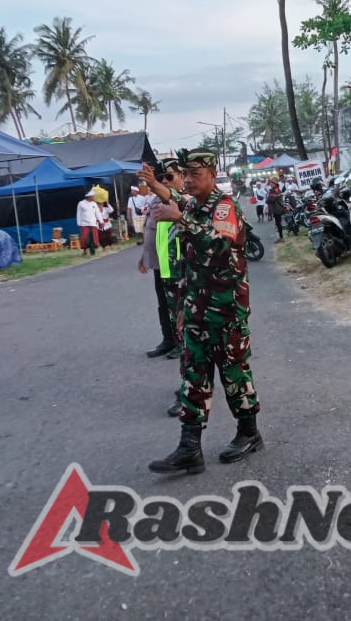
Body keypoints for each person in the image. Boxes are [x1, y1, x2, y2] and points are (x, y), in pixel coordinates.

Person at [139, 148, 262, 474]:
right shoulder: (194, 204)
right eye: (186, 174)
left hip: (225, 310)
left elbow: (220, 245)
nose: (188, 181)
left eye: (195, 175)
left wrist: (180, 219)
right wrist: (155, 185)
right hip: (196, 308)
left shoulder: (225, 207)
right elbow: (175, 196)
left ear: (212, 172)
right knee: (193, 375)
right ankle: (189, 447)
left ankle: (249, 433)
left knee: (234, 373)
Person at [139, 164, 178, 361]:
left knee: (177, 305)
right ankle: (168, 340)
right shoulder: (155, 199)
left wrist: (152, 182)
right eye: (161, 177)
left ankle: (180, 343)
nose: (164, 181)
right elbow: (150, 227)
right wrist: (144, 256)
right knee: (163, 303)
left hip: (174, 262)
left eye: (169, 177)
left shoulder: (174, 200)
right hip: (158, 260)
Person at [77, 190, 103, 256]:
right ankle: (84, 250)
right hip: (84, 224)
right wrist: (79, 223)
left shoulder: (94, 204)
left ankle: (93, 251)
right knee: (84, 238)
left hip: (93, 224)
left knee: (94, 239)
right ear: (89, 196)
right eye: (93, 196)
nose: (94, 197)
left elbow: (98, 213)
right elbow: (78, 214)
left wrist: (101, 221)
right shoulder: (81, 203)